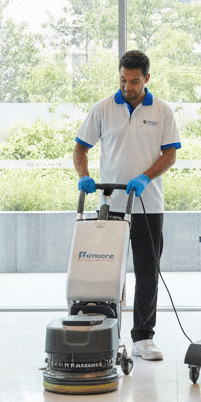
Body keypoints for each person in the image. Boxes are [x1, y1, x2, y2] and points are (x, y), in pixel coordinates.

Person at [73, 50, 181, 361]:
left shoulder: (162, 111)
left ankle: (143, 338)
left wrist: (146, 177)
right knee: (107, 271)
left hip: (148, 205)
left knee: (147, 272)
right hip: (111, 204)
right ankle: (105, 331)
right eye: (123, 80)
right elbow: (80, 148)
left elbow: (170, 155)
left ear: (147, 78)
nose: (127, 87)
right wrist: (84, 176)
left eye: (134, 81)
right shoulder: (103, 108)